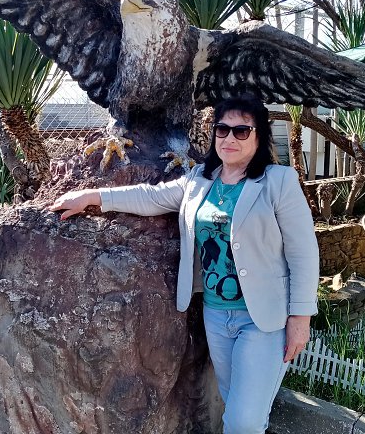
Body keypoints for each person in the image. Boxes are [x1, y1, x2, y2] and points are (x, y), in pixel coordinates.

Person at [50, 96, 319, 434]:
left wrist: (300, 318)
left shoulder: (278, 181)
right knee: (236, 406)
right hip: (217, 315)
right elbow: (150, 197)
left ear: (259, 136)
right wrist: (92, 197)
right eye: (222, 129)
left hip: (263, 319)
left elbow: (303, 252)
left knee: (243, 420)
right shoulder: (199, 180)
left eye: (241, 131)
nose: (230, 138)